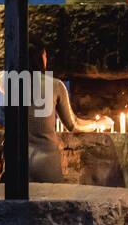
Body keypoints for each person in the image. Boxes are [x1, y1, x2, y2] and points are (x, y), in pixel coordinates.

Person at [27, 37, 101, 183]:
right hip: (46, 161)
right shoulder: (56, 85)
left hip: (16, 162)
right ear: (41, 58)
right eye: (45, 55)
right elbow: (73, 125)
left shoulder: (10, 83)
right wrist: (97, 123)